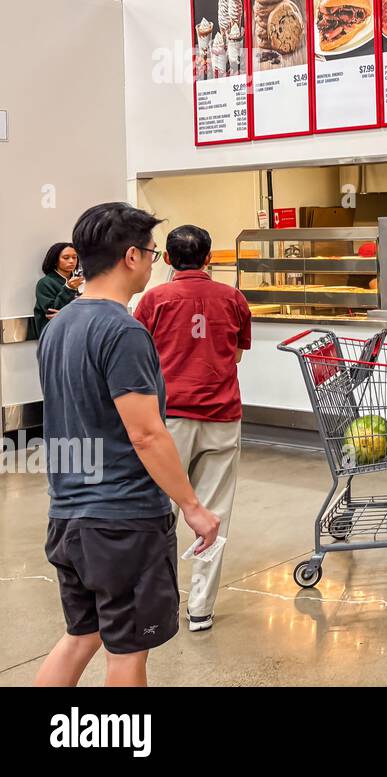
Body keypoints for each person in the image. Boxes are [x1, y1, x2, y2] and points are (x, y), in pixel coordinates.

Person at [35, 203, 219, 688]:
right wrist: (193, 506)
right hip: (122, 520)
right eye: (153, 253)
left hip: (68, 516)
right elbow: (145, 433)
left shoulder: (58, 327)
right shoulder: (122, 330)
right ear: (131, 256)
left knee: (83, 634)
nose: (154, 263)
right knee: (127, 650)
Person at [134, 224, 252, 633]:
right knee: (214, 512)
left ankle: (156, 602)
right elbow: (235, 356)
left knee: (158, 510)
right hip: (222, 417)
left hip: (168, 421)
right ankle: (200, 608)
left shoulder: (153, 300)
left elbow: (141, 358)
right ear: (210, 258)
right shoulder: (233, 298)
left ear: (166, 259)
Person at [32, 242, 82, 337]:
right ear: (55, 260)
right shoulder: (45, 283)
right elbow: (51, 313)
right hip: (55, 337)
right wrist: (69, 288)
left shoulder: (82, 281)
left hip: (78, 334)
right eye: (66, 258)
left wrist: (68, 315)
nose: (71, 261)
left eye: (74, 257)